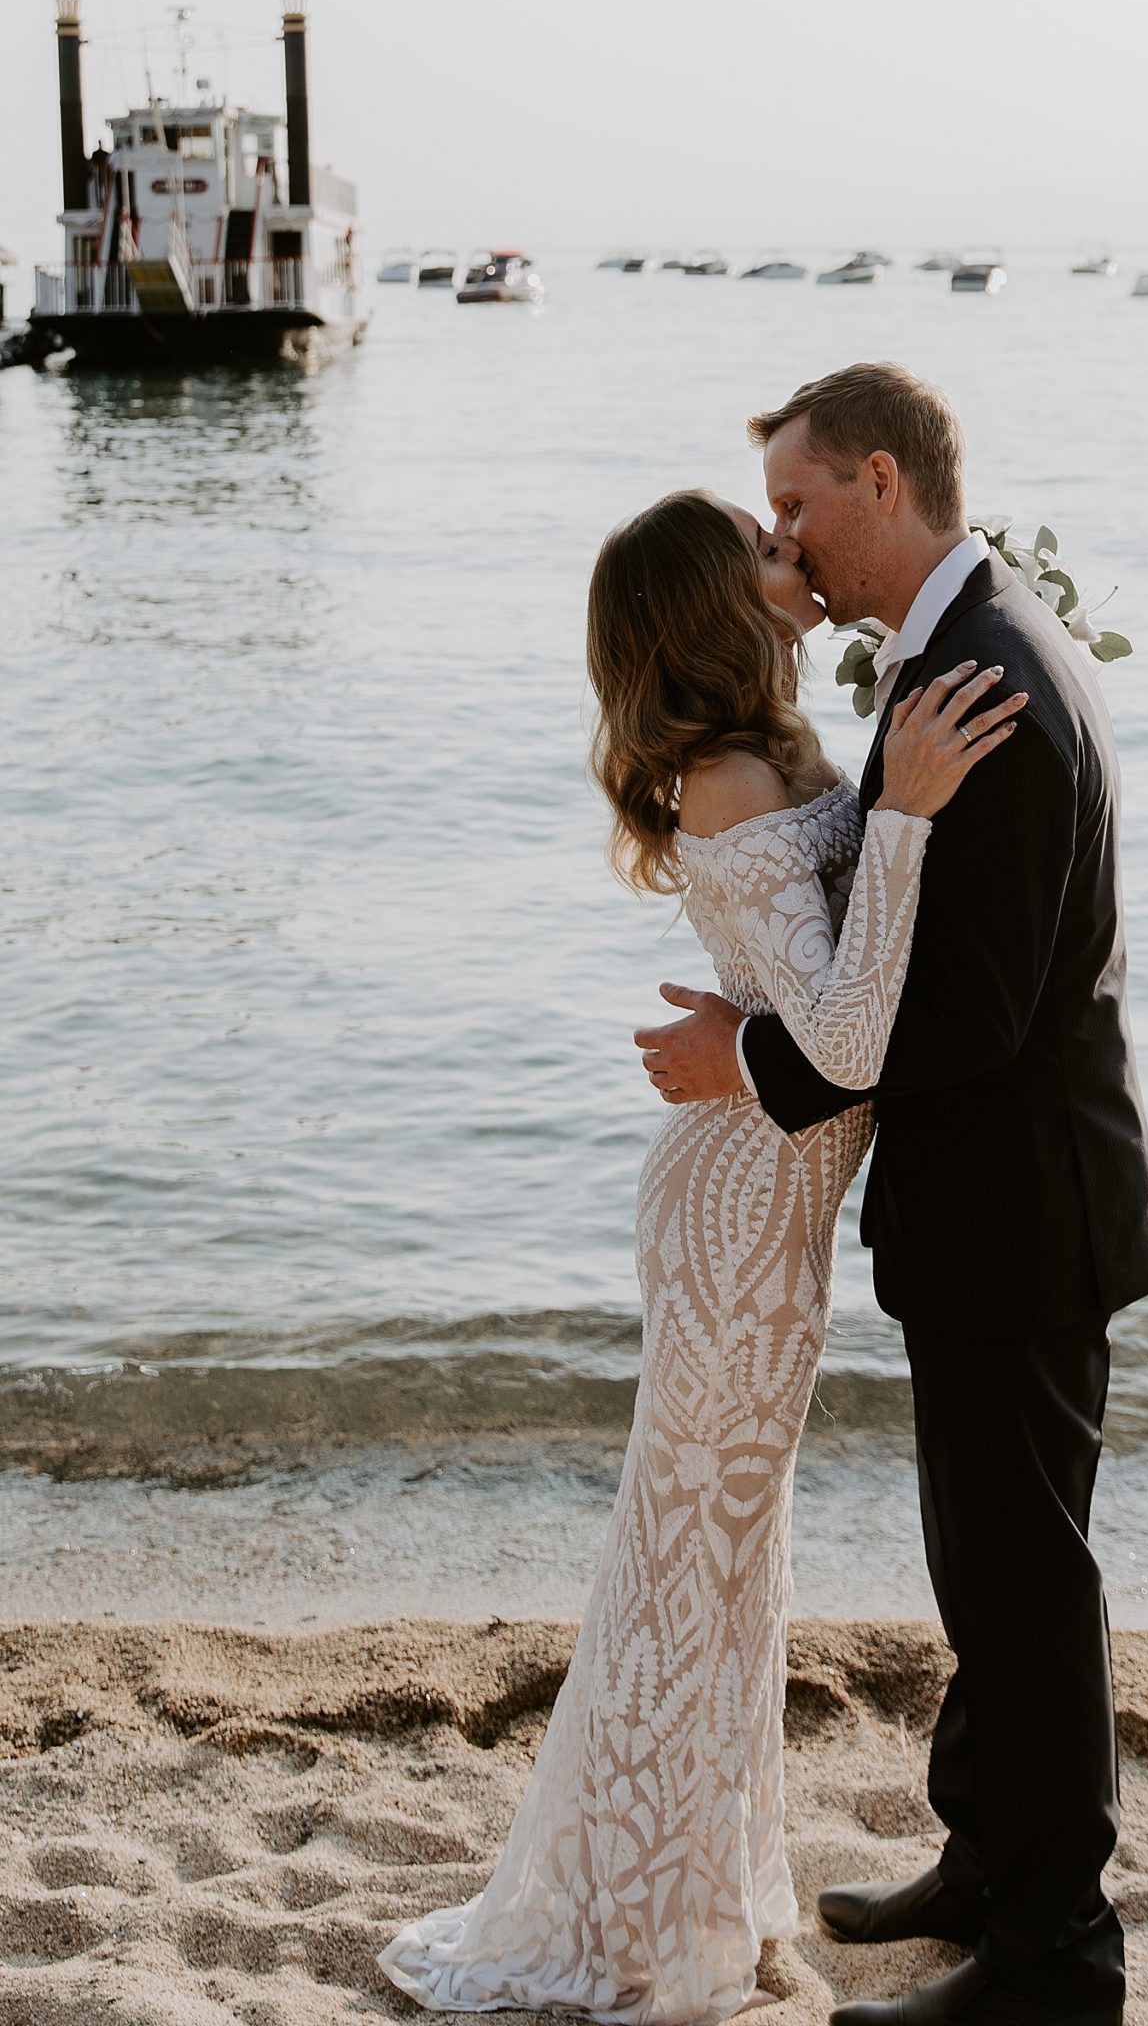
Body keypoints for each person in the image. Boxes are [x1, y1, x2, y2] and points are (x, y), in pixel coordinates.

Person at [380, 486, 1024, 2019]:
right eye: (759, 542)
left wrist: (904, 808)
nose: (788, 550)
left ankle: (711, 1895)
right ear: (707, 605)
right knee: (694, 1562)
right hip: (741, 1209)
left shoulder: (788, 746)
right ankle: (643, 1927)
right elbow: (850, 1041)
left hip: (774, 1192)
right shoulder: (729, 781)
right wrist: (915, 816)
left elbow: (830, 1001)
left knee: (733, 1560)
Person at [638, 364, 1148, 2026]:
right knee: (988, 1561)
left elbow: (964, 1017)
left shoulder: (985, 677)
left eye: (797, 506)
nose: (784, 539)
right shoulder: (967, 642)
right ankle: (984, 1857)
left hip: (1020, 1212)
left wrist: (752, 1060)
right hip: (1002, 1205)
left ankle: (1053, 1958)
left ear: (881, 480)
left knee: (1024, 1577)